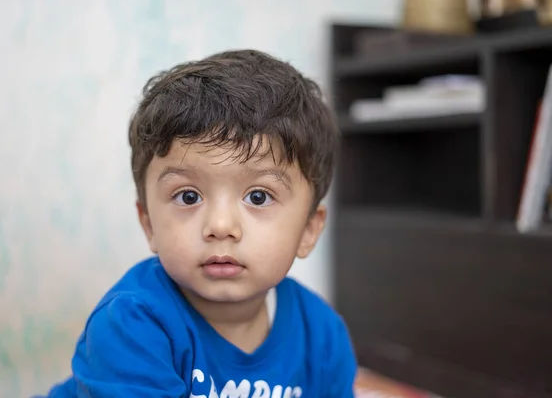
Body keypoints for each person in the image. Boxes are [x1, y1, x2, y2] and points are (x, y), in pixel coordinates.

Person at [41, 49, 357, 397]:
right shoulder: (133, 324)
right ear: (148, 224)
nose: (221, 226)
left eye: (258, 197)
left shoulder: (323, 338)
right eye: (188, 197)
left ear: (309, 229)